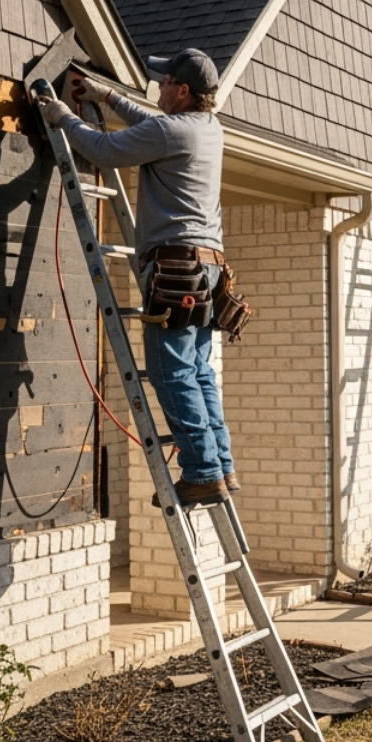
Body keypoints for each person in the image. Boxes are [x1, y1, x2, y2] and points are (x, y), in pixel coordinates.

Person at [36, 49, 237, 505]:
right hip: (205, 269)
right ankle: (220, 465)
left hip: (176, 269)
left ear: (183, 91)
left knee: (170, 374)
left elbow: (104, 149)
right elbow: (152, 122)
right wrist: (108, 96)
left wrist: (63, 115)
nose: (159, 88)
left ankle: (203, 472)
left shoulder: (171, 131)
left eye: (165, 82)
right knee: (199, 371)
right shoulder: (209, 129)